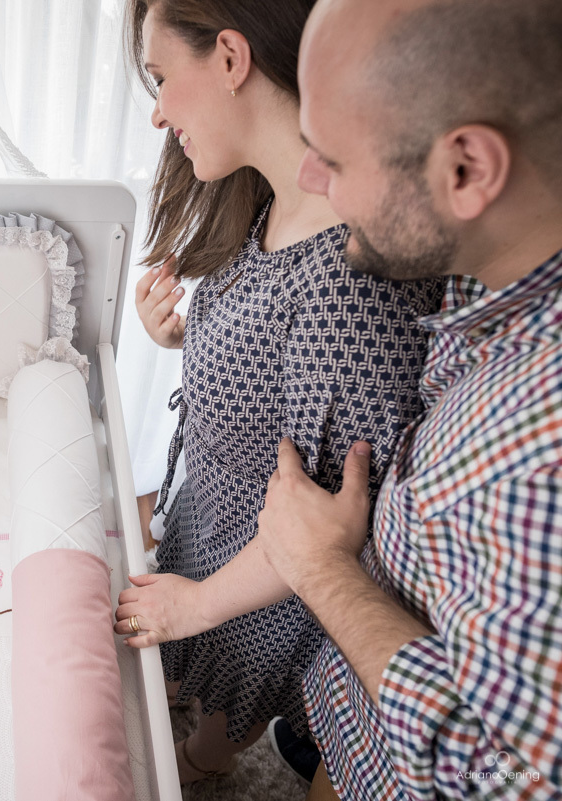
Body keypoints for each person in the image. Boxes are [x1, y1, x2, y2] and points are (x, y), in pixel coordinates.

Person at [116, 0, 444, 783]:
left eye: (161, 79)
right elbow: (275, 383)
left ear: (231, 59)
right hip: (213, 514)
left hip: (259, 578)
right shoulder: (270, 197)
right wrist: (184, 339)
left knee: (223, 715)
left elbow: (326, 524)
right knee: (190, 672)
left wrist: (195, 605)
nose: (158, 113)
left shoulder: (342, 284)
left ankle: (203, 760)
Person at [253, 0, 562, 798]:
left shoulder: (543, 445)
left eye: (331, 158)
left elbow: (507, 780)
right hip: (360, 719)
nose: (309, 180)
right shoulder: (489, 267)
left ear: (466, 170)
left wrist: (322, 569)